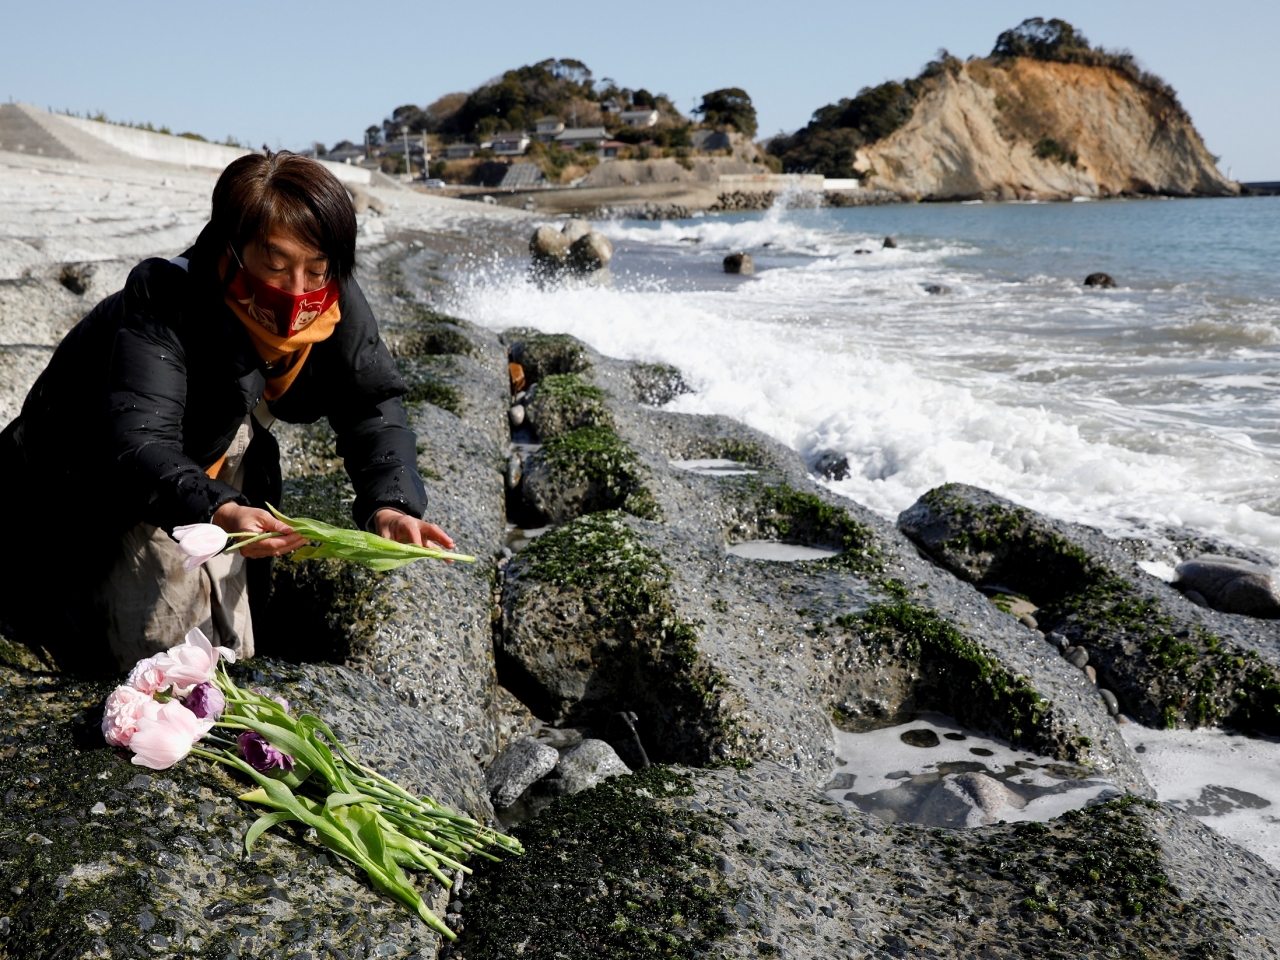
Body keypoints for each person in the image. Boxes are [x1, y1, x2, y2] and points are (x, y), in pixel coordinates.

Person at [0, 151, 452, 671]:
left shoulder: (333, 299)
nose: (298, 293)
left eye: (317, 269)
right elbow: (140, 442)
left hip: (214, 456)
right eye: (275, 266)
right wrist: (217, 509)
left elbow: (371, 402)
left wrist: (390, 503)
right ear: (232, 248)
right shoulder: (163, 298)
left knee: (233, 652)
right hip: (98, 479)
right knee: (158, 658)